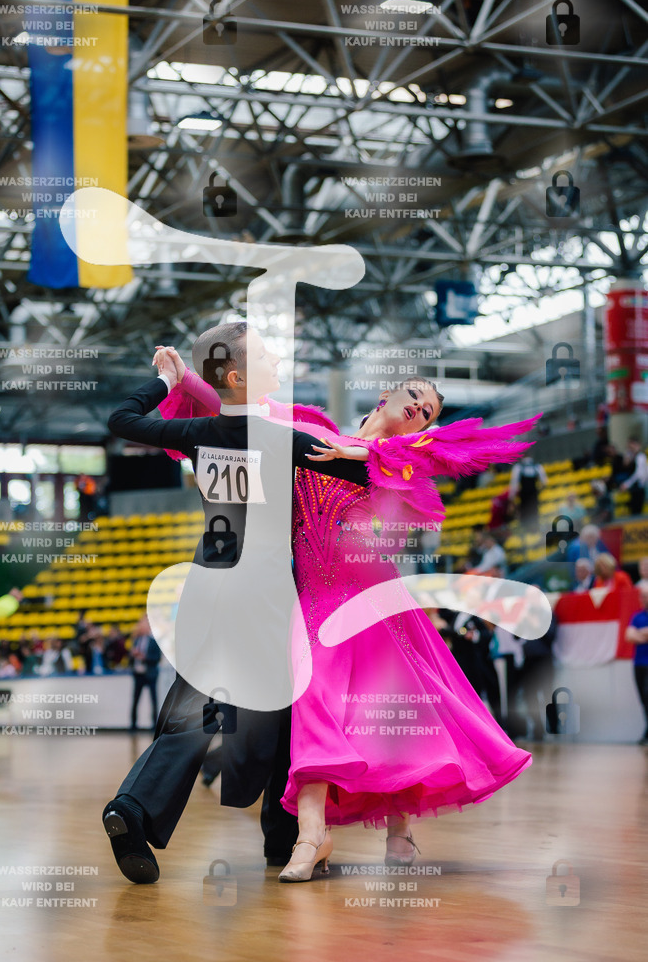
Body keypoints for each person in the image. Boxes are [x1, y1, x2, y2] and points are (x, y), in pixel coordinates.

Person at [155, 344, 540, 882]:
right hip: (315, 600)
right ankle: (312, 835)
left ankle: (399, 829)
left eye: (428, 412)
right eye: (415, 396)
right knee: (315, 705)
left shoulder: (404, 457)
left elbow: (415, 463)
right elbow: (245, 420)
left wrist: (357, 455)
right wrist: (186, 381)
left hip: (374, 599)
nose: (420, 409)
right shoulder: (311, 432)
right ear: (387, 394)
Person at [102, 323, 370, 883]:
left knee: (195, 710)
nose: (278, 364)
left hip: (207, 585)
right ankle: (284, 836)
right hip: (265, 594)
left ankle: (133, 807)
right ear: (239, 376)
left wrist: (167, 380)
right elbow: (369, 473)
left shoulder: (201, 433)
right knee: (287, 712)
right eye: (267, 357)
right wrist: (361, 448)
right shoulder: (285, 439)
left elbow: (122, 420)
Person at [624, 582, 648, 745]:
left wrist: (638, 633)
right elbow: (629, 636)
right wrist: (644, 634)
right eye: (642, 596)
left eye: (645, 596)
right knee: (643, 699)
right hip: (638, 663)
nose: (642, 599)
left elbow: (634, 634)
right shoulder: (637, 616)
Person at [129, 615, 160, 731]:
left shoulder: (154, 641)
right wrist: (133, 655)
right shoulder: (136, 640)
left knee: (153, 700)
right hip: (138, 674)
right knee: (135, 699)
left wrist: (144, 657)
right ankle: (133, 724)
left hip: (150, 674)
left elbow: (157, 658)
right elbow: (131, 658)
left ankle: (154, 724)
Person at [509, 456, 547, 532]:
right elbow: (544, 482)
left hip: (524, 495)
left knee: (525, 515)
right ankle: (534, 531)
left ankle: (526, 531)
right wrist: (538, 491)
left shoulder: (518, 467)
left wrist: (511, 498)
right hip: (533, 495)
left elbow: (514, 484)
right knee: (534, 514)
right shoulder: (537, 466)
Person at [620, 438, 648, 517]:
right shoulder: (632, 457)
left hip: (639, 487)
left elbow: (639, 474)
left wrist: (627, 484)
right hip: (634, 488)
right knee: (634, 511)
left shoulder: (640, 456)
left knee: (637, 511)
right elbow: (625, 465)